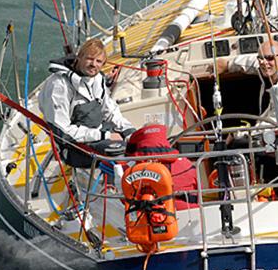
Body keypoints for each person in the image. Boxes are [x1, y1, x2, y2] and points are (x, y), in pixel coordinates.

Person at [39, 38, 135, 167]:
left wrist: (129, 130)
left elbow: (110, 111)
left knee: (142, 144)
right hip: (74, 147)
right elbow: (62, 132)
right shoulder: (59, 85)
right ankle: (115, 185)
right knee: (120, 153)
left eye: (98, 61)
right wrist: (104, 135)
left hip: (97, 134)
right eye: (89, 59)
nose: (93, 64)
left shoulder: (97, 78)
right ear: (79, 57)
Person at [215, 39, 278, 126]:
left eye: (269, 58)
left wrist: (237, 134)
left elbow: (270, 126)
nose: (264, 62)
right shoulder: (266, 67)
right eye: (260, 58)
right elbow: (251, 62)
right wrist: (227, 65)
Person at [124, 124, 198, 211]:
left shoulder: (130, 170)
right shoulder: (187, 164)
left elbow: (125, 200)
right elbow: (197, 195)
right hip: (191, 213)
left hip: (148, 219)